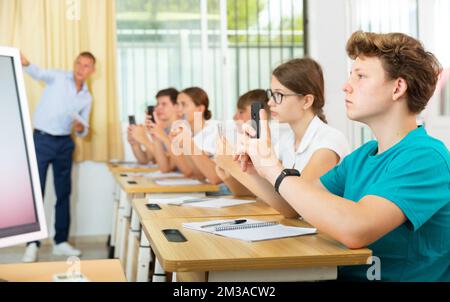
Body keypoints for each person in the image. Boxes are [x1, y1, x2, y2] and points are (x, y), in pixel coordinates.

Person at [236, 31, 449, 281]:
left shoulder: (426, 157)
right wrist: (260, 169)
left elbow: (355, 228)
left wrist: (273, 168)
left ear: (398, 87)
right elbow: (296, 204)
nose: (346, 86)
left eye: (360, 76)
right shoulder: (362, 156)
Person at [217, 58, 349, 204]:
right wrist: (236, 170)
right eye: (271, 94)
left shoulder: (329, 141)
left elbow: (294, 203)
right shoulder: (286, 140)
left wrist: (231, 164)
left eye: (278, 95)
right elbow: (259, 193)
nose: (270, 103)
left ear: (306, 101)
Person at [20, 51, 96, 262]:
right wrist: (27, 63)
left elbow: (84, 129)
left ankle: (60, 242)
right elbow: (39, 73)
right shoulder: (58, 77)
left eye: (86, 66)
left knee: (64, 194)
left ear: (92, 70)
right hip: (42, 140)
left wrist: (80, 128)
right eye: (79, 64)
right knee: (36, 193)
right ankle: (32, 244)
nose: (81, 69)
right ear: (74, 65)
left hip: (64, 143)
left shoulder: (87, 97)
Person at [127, 88, 180, 170]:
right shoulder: (163, 129)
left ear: (176, 107)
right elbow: (146, 159)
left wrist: (144, 140)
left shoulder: (182, 129)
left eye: (164, 104)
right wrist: (135, 144)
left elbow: (169, 163)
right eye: (157, 104)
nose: (158, 108)